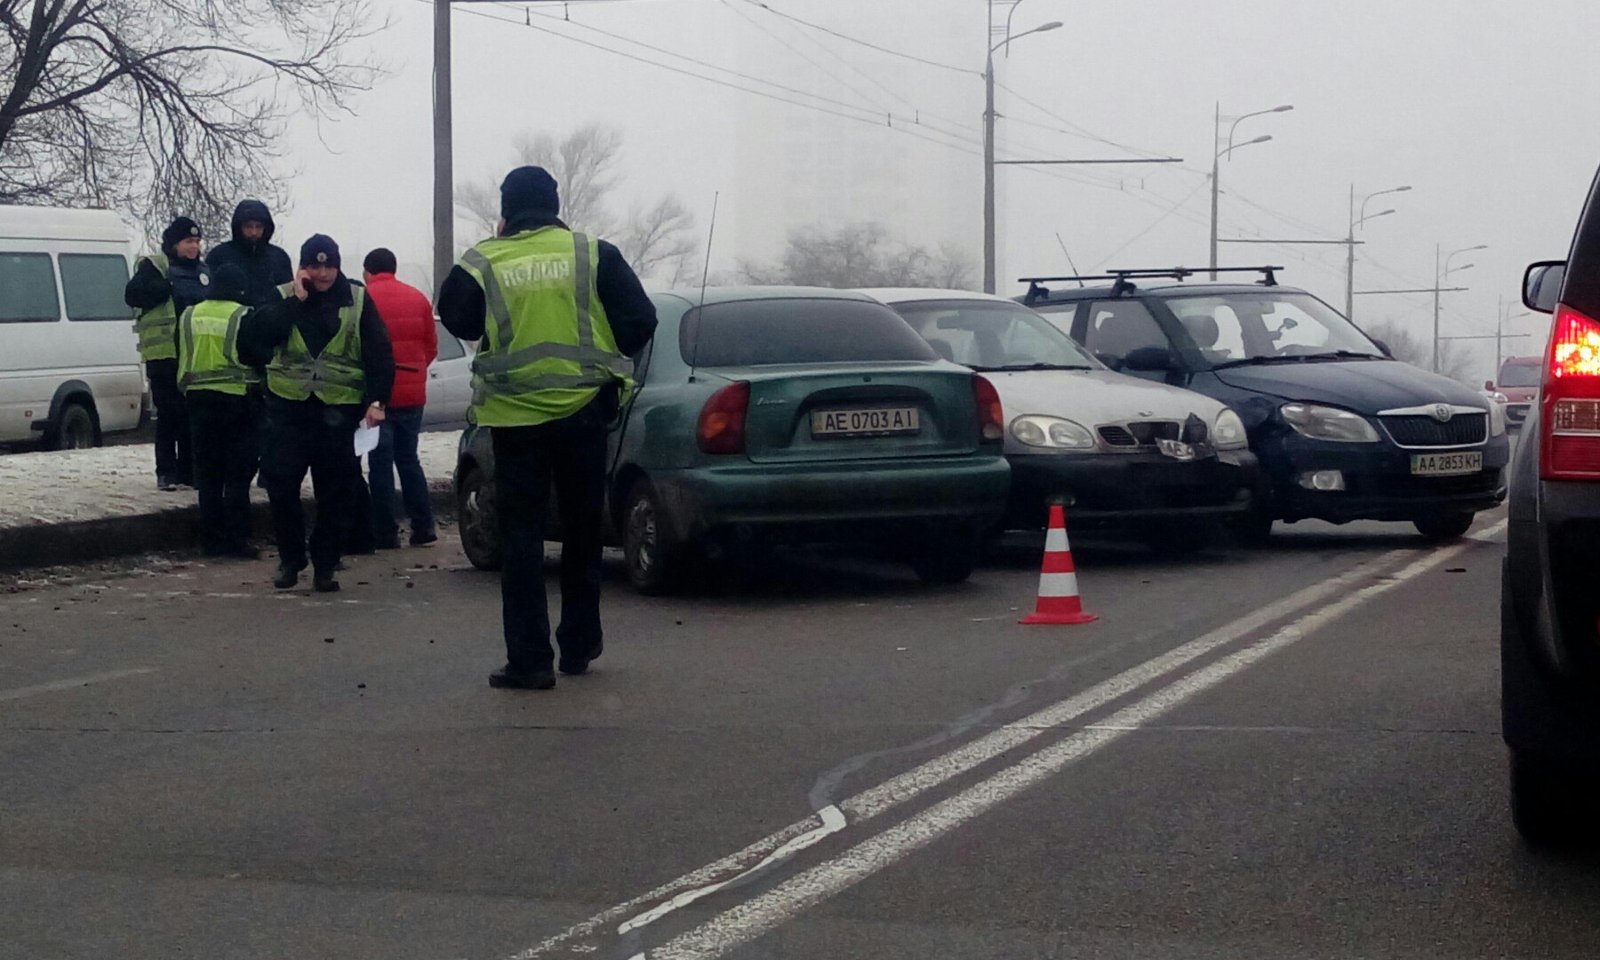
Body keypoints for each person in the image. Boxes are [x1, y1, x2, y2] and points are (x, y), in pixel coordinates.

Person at [439, 165, 657, 691]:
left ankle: (530, 660)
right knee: (583, 531)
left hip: (514, 420)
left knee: (521, 538)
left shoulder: (485, 259)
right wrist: (604, 368)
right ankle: (579, 645)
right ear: (556, 206)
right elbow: (640, 321)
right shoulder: (591, 253)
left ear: (506, 210)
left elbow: (458, 319)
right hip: (583, 414)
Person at [240, 235, 395, 593]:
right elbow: (254, 338)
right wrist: (296, 300)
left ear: (339, 266)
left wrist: (378, 400)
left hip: (338, 410)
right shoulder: (283, 296)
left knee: (336, 493)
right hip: (287, 407)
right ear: (303, 267)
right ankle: (291, 559)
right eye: (314, 265)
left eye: (329, 265)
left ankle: (325, 564)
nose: (322, 273)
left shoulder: (356, 298)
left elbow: (378, 351)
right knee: (280, 487)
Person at [175, 265, 262, 559]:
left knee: (208, 476)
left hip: (197, 401)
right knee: (237, 476)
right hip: (237, 401)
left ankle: (211, 541)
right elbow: (256, 356)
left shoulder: (189, 314)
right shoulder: (242, 315)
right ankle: (236, 541)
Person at [361, 248, 440, 549]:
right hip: (412, 392)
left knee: (380, 463)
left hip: (378, 395)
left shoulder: (365, 298)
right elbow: (430, 346)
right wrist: (414, 372)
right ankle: (423, 526)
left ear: (368, 271)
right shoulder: (417, 298)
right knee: (409, 460)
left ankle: (385, 531)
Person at [125, 216, 208, 490]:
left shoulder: (204, 272)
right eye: (188, 242)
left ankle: (189, 471)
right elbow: (133, 295)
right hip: (163, 355)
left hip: (195, 355)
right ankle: (166, 472)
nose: (193, 247)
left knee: (191, 414)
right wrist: (169, 287)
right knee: (169, 414)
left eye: (196, 241)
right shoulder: (155, 267)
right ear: (174, 243)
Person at [205, 200, 294, 308]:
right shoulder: (219, 256)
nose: (254, 232)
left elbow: (289, 296)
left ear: (266, 228)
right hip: (233, 322)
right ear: (239, 227)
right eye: (248, 226)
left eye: (258, 226)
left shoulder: (279, 258)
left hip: (270, 322)